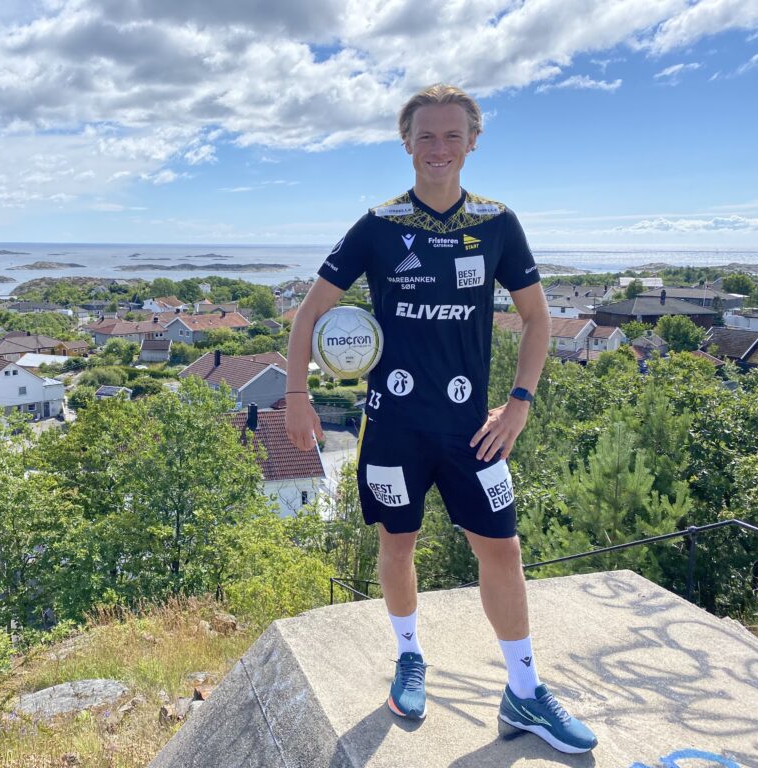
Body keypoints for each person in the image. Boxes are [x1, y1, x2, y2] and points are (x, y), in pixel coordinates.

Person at [284, 83, 597, 754]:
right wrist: (297, 395)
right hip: (392, 425)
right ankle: (408, 657)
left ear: (472, 143)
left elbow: (538, 319)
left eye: (452, 135)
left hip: (471, 429)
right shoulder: (377, 225)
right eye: (426, 135)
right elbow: (309, 313)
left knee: (504, 550)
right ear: (406, 143)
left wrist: (520, 403)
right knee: (398, 547)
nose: (438, 147)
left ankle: (523, 689)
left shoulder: (497, 223)